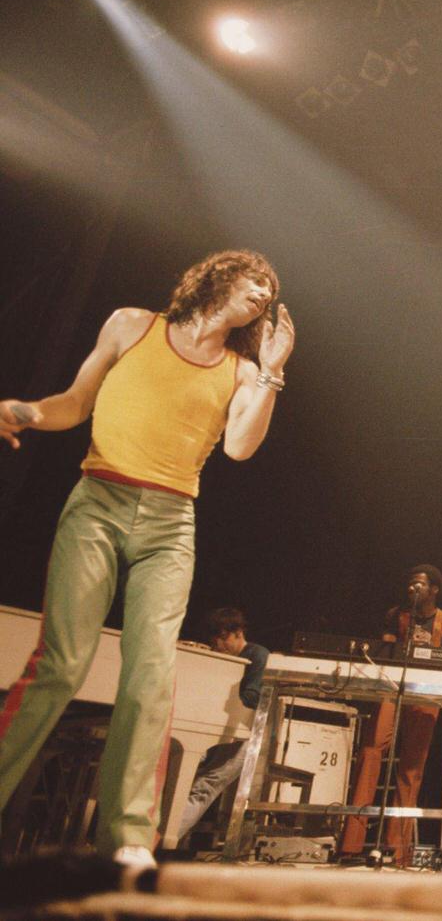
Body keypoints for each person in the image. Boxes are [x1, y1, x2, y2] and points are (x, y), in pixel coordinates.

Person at [0, 250, 293, 868]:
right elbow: (76, 402)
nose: (265, 292)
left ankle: (130, 836)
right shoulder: (132, 324)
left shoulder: (241, 371)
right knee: (61, 664)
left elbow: (239, 447)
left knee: (150, 674)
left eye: (273, 291)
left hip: (169, 524)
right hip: (98, 502)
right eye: (256, 279)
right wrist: (21, 411)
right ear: (220, 276)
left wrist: (271, 372)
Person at [339, 564, 442, 865]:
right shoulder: (396, 616)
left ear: (433, 590)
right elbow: (385, 651)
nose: (412, 589)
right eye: (410, 585)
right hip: (391, 689)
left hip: (425, 694)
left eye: (418, 585)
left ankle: (399, 851)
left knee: (411, 767)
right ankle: (351, 845)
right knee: (370, 752)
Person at [175, 607, 269, 844]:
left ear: (238, 633)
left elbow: (253, 698)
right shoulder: (227, 659)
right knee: (186, 782)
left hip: (247, 733)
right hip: (220, 729)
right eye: (214, 638)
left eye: (223, 637)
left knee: (204, 786)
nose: (218, 643)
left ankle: (162, 840)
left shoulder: (257, 654)